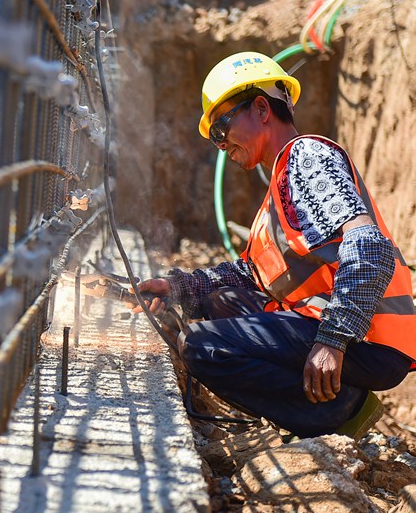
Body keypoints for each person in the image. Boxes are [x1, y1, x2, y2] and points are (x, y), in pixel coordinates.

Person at [129, 51, 416, 439]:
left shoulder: (308, 158)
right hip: (343, 329)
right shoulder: (282, 183)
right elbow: (250, 274)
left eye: (221, 129)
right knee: (219, 302)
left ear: (261, 108)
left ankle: (335, 407)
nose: (220, 144)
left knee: (200, 347)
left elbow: (369, 248)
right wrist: (178, 288)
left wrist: (333, 342)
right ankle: (331, 393)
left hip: (368, 338)